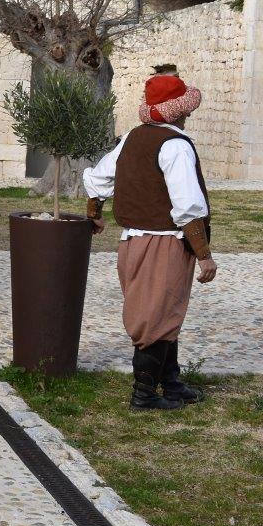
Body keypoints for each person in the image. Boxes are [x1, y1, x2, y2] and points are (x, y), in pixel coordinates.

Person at [84, 73, 218, 411]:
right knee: (155, 317)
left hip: (131, 242)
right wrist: (204, 256)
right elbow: (187, 207)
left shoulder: (132, 137)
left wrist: (94, 214)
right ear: (182, 111)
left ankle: (170, 384)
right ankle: (143, 395)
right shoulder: (175, 146)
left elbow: (98, 178)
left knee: (164, 313)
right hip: (165, 244)